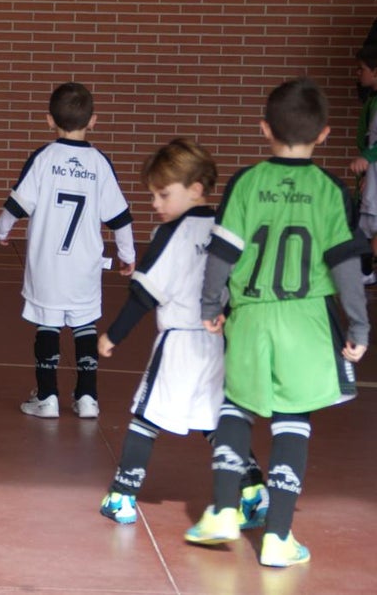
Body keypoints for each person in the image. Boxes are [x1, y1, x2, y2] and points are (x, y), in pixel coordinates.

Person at [184, 78, 369, 568]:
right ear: (326, 134)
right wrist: (359, 327)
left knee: (235, 406)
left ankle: (224, 509)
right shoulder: (329, 190)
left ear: (264, 129)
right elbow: (347, 265)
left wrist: (210, 305)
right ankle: (278, 537)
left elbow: (222, 253)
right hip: (307, 320)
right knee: (293, 418)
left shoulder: (247, 182)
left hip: (251, 316)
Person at [97, 138, 266, 528]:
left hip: (179, 342)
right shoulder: (228, 228)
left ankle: (122, 495)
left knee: (145, 415)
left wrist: (114, 335)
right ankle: (254, 490)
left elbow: (144, 292)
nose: (155, 203)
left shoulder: (169, 235)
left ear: (195, 189)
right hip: (220, 341)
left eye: (162, 194)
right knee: (215, 420)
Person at [0, 81, 136, 419]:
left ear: (49, 120)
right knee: (84, 322)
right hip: (84, 265)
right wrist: (128, 256)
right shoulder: (100, 164)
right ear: (93, 121)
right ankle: (87, 397)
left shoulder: (43, 158)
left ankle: (47, 397)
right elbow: (120, 216)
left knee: (48, 324)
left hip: (47, 265)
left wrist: (1, 230)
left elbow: (18, 203)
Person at [348, 44, 377, 283]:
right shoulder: (372, 100)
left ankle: (366, 270)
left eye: (362, 69)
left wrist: (367, 158)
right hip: (372, 172)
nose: (359, 74)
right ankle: (365, 270)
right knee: (366, 221)